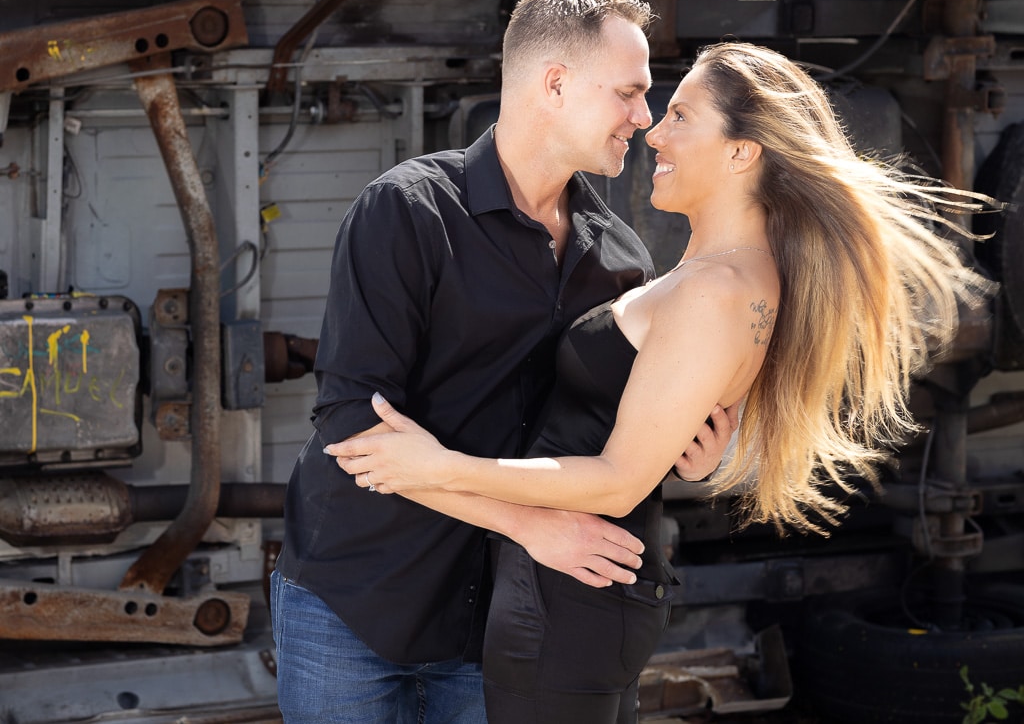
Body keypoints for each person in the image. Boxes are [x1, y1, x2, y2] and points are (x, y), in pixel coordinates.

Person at [328, 41, 997, 723]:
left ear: (742, 152)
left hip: (574, 591)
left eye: (681, 114)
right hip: (572, 587)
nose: (655, 129)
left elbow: (618, 477)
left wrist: (440, 466)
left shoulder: (721, 288)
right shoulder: (713, 274)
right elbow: (664, 430)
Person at [271, 0, 739, 724]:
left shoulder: (620, 259)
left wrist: (695, 451)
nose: (643, 118)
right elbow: (352, 427)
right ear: (554, 83)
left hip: (500, 622)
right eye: (627, 92)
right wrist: (529, 523)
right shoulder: (409, 212)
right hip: (356, 605)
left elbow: (610, 431)